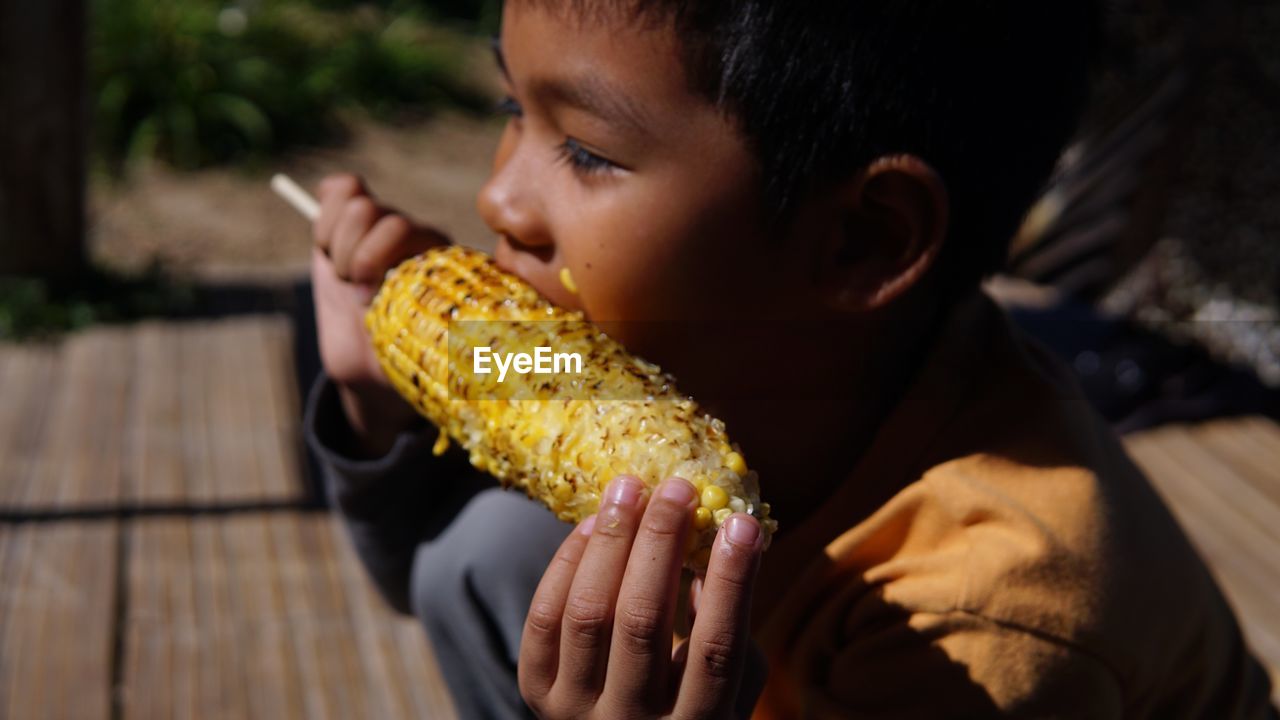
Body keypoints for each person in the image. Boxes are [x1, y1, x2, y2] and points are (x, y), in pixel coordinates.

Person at [303, 1, 1278, 717]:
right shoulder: (778, 359)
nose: (499, 202)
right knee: (486, 553)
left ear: (860, 242)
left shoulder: (992, 622)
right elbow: (425, 574)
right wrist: (379, 399)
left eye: (588, 152)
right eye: (515, 106)